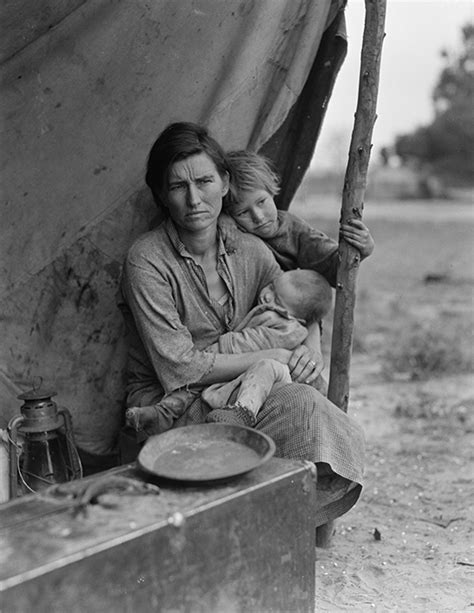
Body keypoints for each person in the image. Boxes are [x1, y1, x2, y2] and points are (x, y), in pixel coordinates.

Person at [119, 121, 365, 527]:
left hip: (240, 396)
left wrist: (309, 347)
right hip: (172, 403)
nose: (195, 198)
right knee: (299, 403)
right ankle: (251, 518)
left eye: (204, 181)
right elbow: (179, 368)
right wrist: (274, 354)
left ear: (224, 183)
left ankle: (267, 519)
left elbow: (293, 304)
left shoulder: (250, 249)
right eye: (179, 186)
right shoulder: (146, 260)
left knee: (309, 395)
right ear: (162, 195)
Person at [126, 268, 332, 434]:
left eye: (277, 300)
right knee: (192, 390)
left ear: (297, 318)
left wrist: (220, 349)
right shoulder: (276, 309)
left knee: (250, 373)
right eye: (271, 287)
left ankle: (242, 413)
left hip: (257, 373)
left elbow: (251, 342)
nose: (267, 295)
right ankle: (161, 414)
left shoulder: (288, 329)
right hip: (241, 368)